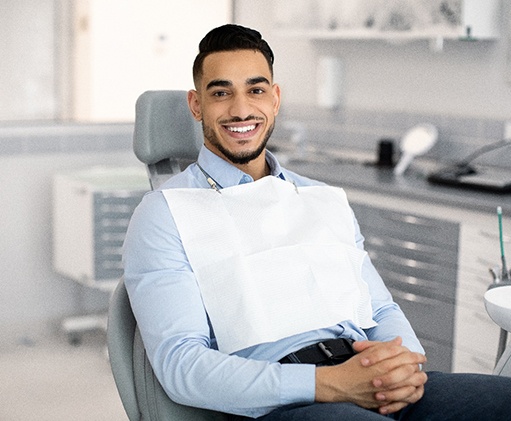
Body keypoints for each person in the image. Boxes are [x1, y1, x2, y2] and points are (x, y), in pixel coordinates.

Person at [123, 24, 511, 420]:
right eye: (221, 93)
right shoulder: (165, 213)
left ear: (275, 99)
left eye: (255, 90)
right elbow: (181, 365)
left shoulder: (323, 198)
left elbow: (379, 311)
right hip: (287, 401)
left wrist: (404, 366)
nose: (240, 110)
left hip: (370, 380)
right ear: (196, 105)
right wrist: (329, 385)